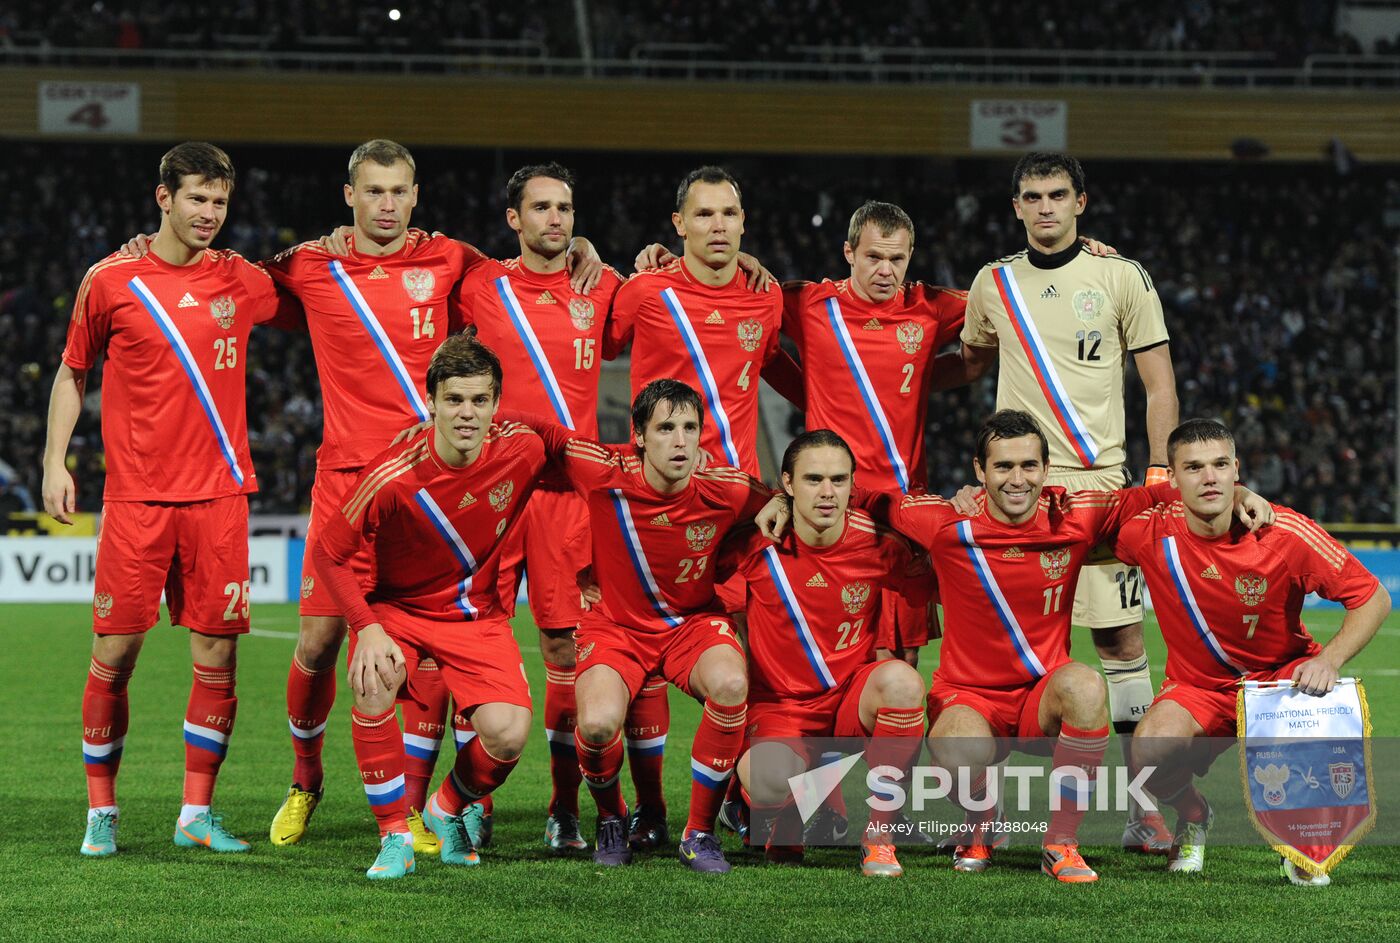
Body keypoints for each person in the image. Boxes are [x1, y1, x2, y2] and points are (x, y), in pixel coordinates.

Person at [759, 409, 1270, 882]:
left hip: (1040, 697)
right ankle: (982, 819)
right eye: (1003, 466)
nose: (1017, 479)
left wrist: (1240, 492)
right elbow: (865, 496)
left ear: (1047, 469)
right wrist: (783, 499)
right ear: (979, 471)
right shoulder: (943, 520)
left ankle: (1060, 843)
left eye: (1029, 465)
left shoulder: (1077, 513)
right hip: (967, 698)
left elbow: (1164, 493)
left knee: (1087, 686)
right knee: (954, 752)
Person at [47, 142, 296, 857]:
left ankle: (196, 813)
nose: (209, 213)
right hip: (137, 499)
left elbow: (318, 290)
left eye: (219, 201)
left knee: (217, 655)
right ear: (164, 197)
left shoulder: (240, 277)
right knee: (115, 651)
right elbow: (71, 371)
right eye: (196, 198)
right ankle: (102, 811)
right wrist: (54, 460)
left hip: (220, 495)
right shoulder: (111, 279)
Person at [957, 152, 1180, 852]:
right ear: (1016, 206)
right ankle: (980, 818)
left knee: (1121, 643)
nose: (1045, 206)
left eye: (1058, 194)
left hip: (1102, 487)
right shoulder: (993, 282)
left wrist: (1159, 469)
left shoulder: (1120, 276)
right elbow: (967, 357)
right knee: (1006, 656)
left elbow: (1160, 383)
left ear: (1081, 201)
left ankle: (1144, 808)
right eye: (1032, 196)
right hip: (1021, 494)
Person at [504, 379, 773, 873]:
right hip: (616, 628)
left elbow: (782, 502)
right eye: (666, 428)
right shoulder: (603, 471)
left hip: (691, 625)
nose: (680, 441)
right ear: (639, 436)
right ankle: (612, 817)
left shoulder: (730, 489)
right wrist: (456, 424)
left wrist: (781, 506)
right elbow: (547, 430)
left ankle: (700, 832)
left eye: (689, 428)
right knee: (597, 724)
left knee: (732, 684)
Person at [1112, 419, 1389, 884]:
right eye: (1194, 468)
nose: (1210, 478)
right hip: (1200, 688)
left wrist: (1329, 659)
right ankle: (1194, 816)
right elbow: (1086, 524)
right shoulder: (1149, 531)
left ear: (1236, 468)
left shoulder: (1285, 532)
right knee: (1149, 751)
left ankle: (1300, 840)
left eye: (1220, 465)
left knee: (1315, 754)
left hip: (1282, 682)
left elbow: (1372, 597)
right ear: (1171, 477)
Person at [311, 333, 545, 880]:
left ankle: (445, 807)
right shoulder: (392, 474)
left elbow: (581, 456)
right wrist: (367, 628)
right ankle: (394, 835)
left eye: (480, 400)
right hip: (400, 612)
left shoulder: (524, 450)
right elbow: (327, 553)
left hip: (475, 615)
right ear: (431, 402)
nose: (467, 413)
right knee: (372, 679)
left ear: (496, 404)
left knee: (508, 734)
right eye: (454, 400)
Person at [606, 165, 789, 850]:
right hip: (654, 509)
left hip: (734, 514)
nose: (718, 225)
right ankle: (649, 809)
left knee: (750, 663)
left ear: (744, 223)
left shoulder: (767, 298)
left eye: (729, 214)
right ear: (678, 224)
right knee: (644, 656)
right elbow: (590, 340)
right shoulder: (645, 291)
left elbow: (777, 367)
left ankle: (738, 795)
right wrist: (594, 253)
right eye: (704, 214)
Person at [451, 161, 627, 853]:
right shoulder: (480, 284)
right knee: (471, 641)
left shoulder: (601, 286)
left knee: (564, 648)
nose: (556, 219)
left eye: (565, 208)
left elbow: (663, 292)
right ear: (513, 219)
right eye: (541, 207)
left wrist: (632, 254)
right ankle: (474, 803)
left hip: (566, 498)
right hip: (492, 493)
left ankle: (563, 808)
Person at [724, 430, 929, 877]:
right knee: (769, 782)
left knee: (903, 683)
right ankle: (765, 811)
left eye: (838, 480)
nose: (827, 491)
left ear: (853, 484)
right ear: (787, 483)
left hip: (846, 705)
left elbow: (942, 574)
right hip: (779, 710)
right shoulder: (754, 542)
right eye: (813, 479)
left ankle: (879, 836)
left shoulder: (878, 543)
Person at [779, 200, 966, 667]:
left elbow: (1010, 299)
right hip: (831, 509)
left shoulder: (929, 306)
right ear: (849, 252)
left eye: (897, 259)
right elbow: (736, 293)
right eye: (873, 257)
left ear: (910, 256)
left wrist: (1079, 254)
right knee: (826, 656)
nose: (886, 270)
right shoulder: (810, 304)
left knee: (899, 660)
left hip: (903, 512)